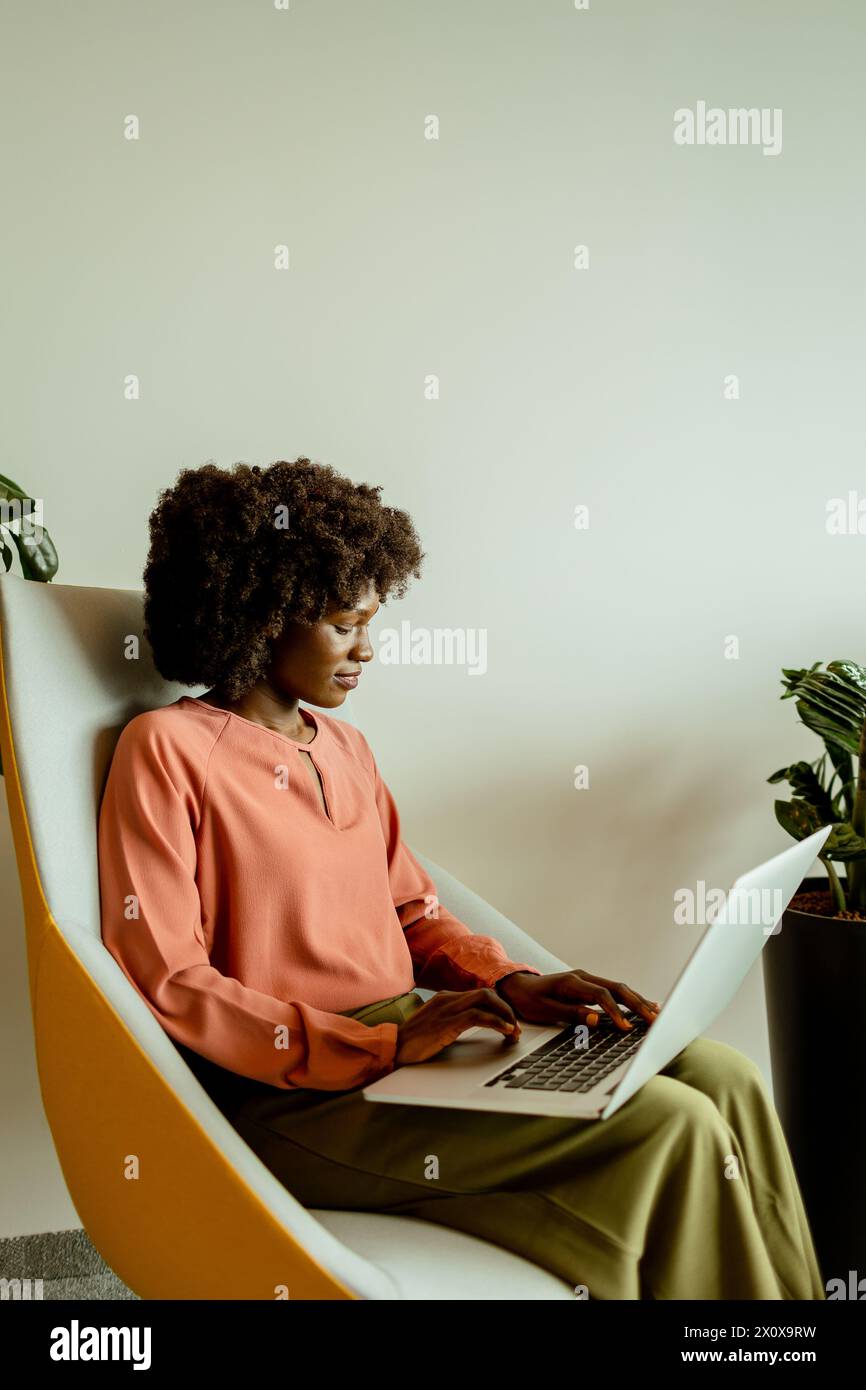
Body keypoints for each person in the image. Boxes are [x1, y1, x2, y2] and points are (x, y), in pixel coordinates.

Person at [97, 456, 825, 1300]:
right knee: (675, 1127)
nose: (367, 649)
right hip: (291, 1099)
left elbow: (412, 912)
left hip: (417, 1040)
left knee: (722, 1076)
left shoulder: (345, 747)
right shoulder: (167, 750)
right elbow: (171, 983)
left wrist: (513, 981)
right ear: (262, 618)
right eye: (344, 623)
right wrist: (377, 1045)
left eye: (372, 621)